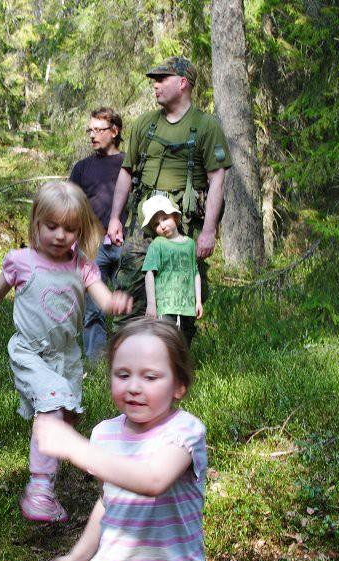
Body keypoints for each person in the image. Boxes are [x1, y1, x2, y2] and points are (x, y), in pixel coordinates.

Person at [0, 181, 133, 523]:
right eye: (52, 227)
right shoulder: (21, 262)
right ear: (36, 223)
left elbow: (103, 299)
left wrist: (116, 303)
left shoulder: (82, 265)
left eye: (70, 229)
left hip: (67, 358)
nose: (61, 235)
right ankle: (40, 490)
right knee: (51, 406)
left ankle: (49, 477)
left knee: (66, 418)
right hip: (30, 354)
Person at [35, 319, 209, 561]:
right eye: (123, 374)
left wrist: (76, 449)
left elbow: (153, 480)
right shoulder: (105, 435)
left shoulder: (186, 431)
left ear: (179, 386)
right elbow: (108, 503)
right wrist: (78, 557)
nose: (134, 387)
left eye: (150, 377)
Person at [105, 56, 232, 328]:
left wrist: (209, 231)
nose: (156, 85)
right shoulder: (145, 124)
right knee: (129, 288)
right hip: (143, 223)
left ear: (183, 83)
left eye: (163, 79)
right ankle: (128, 360)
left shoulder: (207, 127)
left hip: (183, 224)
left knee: (180, 297)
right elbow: (127, 172)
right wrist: (116, 218)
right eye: (155, 80)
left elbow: (217, 182)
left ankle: (171, 361)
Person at [70, 107, 126, 361]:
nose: (92, 135)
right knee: (93, 311)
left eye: (98, 130)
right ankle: (95, 365)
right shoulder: (82, 168)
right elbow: (69, 206)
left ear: (114, 132)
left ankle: (128, 361)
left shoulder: (129, 165)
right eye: (89, 130)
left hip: (126, 245)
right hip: (92, 248)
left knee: (128, 308)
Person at [140, 194, 202, 346]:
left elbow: (195, 273)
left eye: (165, 218)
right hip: (165, 306)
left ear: (175, 217)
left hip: (187, 306)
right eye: (156, 224)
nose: (162, 225)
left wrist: (198, 301)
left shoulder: (190, 244)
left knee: (184, 343)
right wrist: (151, 304)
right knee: (166, 343)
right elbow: (149, 273)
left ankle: (180, 369)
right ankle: (163, 368)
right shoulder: (157, 244)